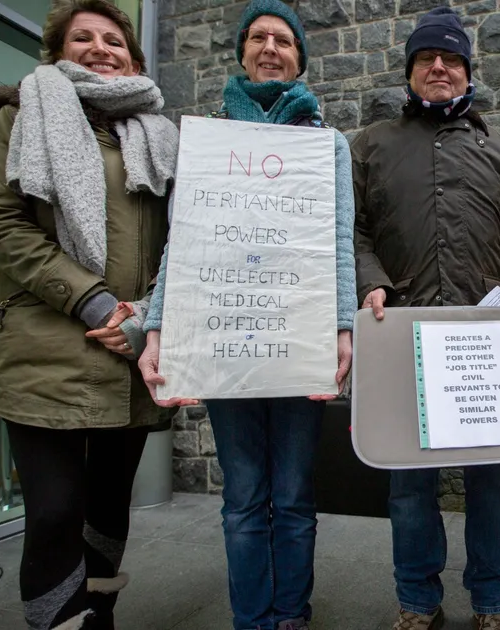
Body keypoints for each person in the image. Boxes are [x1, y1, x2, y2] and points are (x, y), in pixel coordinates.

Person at [136, 1, 355, 629]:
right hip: (227, 339)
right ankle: (252, 619)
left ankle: (292, 614)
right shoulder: (207, 139)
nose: (270, 48)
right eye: (258, 37)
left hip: (297, 339)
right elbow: (182, 242)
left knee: (293, 496)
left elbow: (339, 239)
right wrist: (158, 328)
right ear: (242, 53)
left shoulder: (326, 144)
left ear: (299, 59)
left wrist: (342, 327)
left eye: (283, 40)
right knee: (243, 497)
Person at [0, 0, 178, 628]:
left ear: (134, 60)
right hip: (49, 345)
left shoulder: (162, 137)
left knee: (108, 506)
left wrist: (148, 313)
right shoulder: (20, 117)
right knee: (55, 510)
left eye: (113, 40)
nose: (99, 49)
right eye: (81, 38)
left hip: (131, 347)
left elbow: (185, 240)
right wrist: (93, 299)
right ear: (57, 53)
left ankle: (99, 615)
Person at [351, 7, 500, 630]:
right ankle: (417, 603)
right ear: (410, 72)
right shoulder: (372, 145)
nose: (439, 67)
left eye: (452, 59)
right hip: (403, 336)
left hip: (485, 341)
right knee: (409, 488)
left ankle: (493, 603)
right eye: (427, 59)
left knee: (491, 484)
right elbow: (352, 230)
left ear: (467, 72)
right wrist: (372, 281)